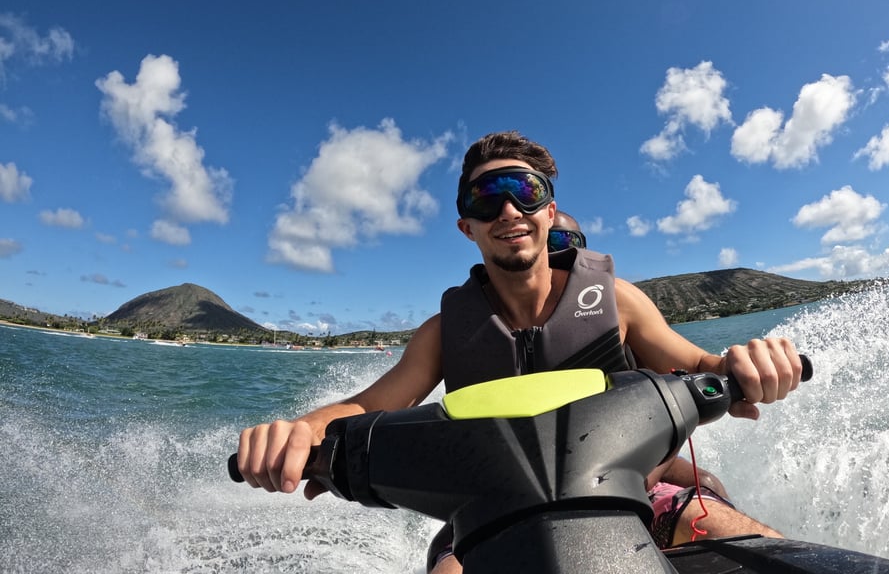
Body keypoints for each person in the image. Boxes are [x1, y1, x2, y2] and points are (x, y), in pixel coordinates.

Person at [236, 131, 805, 570]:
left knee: (761, 551)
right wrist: (300, 431)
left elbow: (703, 367)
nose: (508, 211)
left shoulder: (618, 303)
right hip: (488, 516)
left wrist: (749, 364)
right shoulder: (443, 333)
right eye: (486, 199)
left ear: (548, 212)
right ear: (468, 227)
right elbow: (366, 406)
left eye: (526, 192)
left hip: (639, 494)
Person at [545, 208, 735, 546]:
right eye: (546, 242)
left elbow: (691, 375)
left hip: (631, 461)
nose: (555, 252)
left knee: (707, 485)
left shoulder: (617, 310)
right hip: (539, 478)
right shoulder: (496, 329)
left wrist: (739, 366)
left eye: (565, 241)